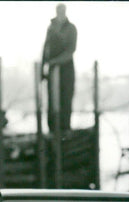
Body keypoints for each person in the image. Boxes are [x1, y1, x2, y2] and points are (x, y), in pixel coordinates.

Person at [41, 3, 77, 133]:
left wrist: (55, 62)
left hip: (66, 70)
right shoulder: (51, 28)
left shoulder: (71, 28)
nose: (60, 12)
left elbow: (71, 50)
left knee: (66, 98)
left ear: (65, 11)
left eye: (62, 10)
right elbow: (45, 49)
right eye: (58, 10)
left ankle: (65, 128)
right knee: (52, 100)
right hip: (52, 71)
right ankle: (52, 129)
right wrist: (42, 70)